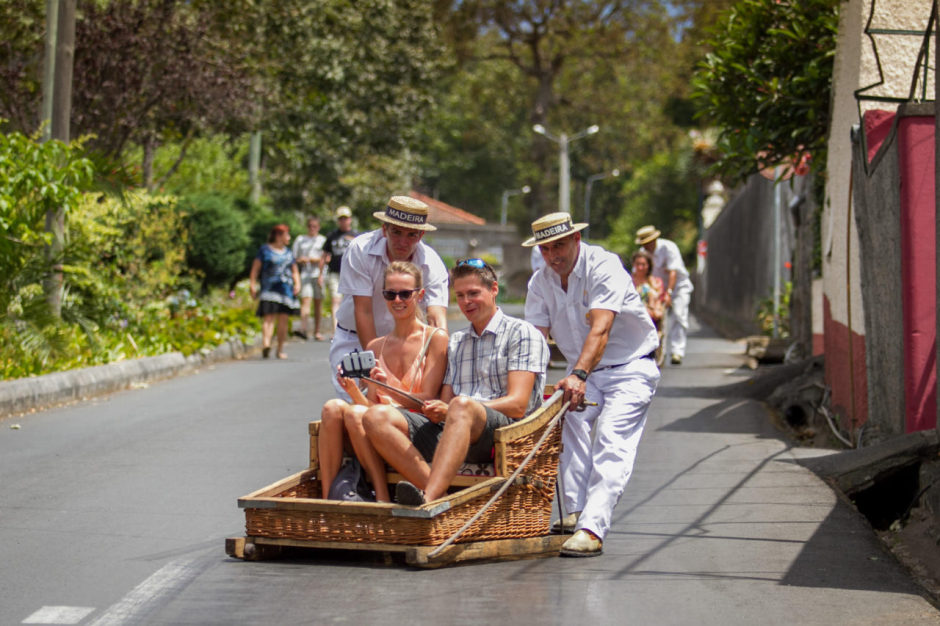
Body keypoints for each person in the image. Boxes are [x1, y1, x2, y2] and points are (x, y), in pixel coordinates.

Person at [524, 212, 660, 557]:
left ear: (576, 241)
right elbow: (536, 342)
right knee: (565, 419)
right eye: (546, 249)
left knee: (612, 442)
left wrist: (579, 376)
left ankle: (592, 528)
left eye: (559, 245)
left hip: (630, 368)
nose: (554, 255)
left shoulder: (604, 265)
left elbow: (601, 329)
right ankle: (574, 512)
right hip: (582, 372)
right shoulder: (540, 282)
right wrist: (531, 389)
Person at [361, 258, 549, 506]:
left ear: (494, 290)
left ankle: (429, 498)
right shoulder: (458, 341)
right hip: (453, 427)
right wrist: (439, 409)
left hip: (503, 435)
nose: (466, 302)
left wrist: (454, 408)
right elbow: (445, 401)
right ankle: (437, 492)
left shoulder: (522, 332)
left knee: (462, 405)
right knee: (375, 417)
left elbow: (518, 405)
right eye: (460, 296)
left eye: (473, 293)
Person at [317, 262, 448, 502]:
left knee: (360, 414)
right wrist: (353, 389)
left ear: (420, 295)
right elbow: (369, 404)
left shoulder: (435, 338)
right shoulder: (376, 346)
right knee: (333, 407)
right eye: (390, 294)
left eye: (405, 294)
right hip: (376, 419)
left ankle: (382, 497)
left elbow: (429, 399)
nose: (397, 300)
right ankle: (327, 500)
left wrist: (389, 386)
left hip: (416, 422)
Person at [328, 195, 449, 399]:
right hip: (355, 338)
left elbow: (437, 319)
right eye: (396, 232)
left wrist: (440, 363)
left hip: (405, 343)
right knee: (355, 410)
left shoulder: (431, 263)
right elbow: (363, 311)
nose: (403, 242)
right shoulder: (360, 249)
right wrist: (373, 363)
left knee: (404, 407)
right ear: (384, 229)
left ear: (420, 236)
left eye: (411, 235)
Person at [635, 225, 693, 365]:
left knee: (679, 316)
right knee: (655, 319)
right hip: (656, 289)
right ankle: (657, 350)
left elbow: (673, 272)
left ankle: (677, 351)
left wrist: (668, 293)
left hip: (678, 287)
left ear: (654, 240)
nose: (646, 246)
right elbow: (639, 274)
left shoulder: (668, 248)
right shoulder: (643, 253)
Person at [249, 224, 301, 360]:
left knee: (283, 319)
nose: (289, 237)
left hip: (286, 290)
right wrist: (252, 284)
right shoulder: (264, 250)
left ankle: (280, 349)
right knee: (269, 317)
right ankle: (266, 344)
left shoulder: (289, 253)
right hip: (269, 289)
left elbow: (294, 270)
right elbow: (255, 268)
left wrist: (297, 283)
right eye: (286, 235)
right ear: (278, 236)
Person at [323, 206, 359, 332]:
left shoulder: (356, 236)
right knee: (335, 300)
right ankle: (336, 330)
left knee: (352, 301)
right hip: (335, 272)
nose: (343, 221)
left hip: (351, 273)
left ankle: (350, 328)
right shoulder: (332, 236)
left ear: (350, 219)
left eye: (345, 218)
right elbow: (324, 254)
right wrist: (320, 274)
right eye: (341, 219)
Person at [292, 215, 327, 340]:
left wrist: (312, 260)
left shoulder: (323, 240)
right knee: (306, 300)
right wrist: (301, 260)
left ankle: (317, 331)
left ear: (318, 227)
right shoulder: (300, 239)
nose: (312, 228)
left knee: (318, 302)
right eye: (310, 226)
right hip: (305, 274)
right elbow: (294, 258)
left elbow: (327, 258)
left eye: (315, 226)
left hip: (319, 274)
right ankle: (303, 328)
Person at [630, 248, 664, 323]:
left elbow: (658, 308)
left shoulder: (656, 283)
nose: (640, 268)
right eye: (638, 264)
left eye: (643, 264)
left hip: (650, 320)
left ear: (649, 266)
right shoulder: (628, 282)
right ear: (633, 264)